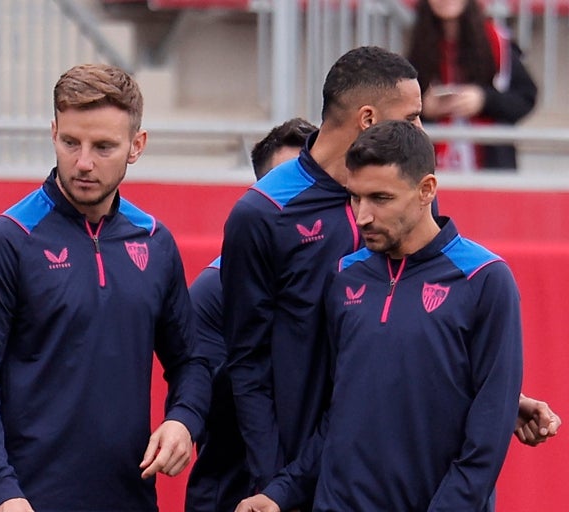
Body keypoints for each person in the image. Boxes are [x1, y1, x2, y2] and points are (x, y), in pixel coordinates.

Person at [218, 46, 558, 512]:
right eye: (412, 117)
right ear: (368, 118)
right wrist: (275, 485)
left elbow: (417, 332)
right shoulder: (264, 213)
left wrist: (494, 393)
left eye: (378, 199)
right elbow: (247, 364)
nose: (421, 130)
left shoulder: (446, 240)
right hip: (306, 474)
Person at [0, 63, 210, 512]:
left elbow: (191, 361)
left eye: (103, 146)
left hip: (131, 499)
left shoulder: (155, 242)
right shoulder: (8, 240)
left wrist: (184, 419)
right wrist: (1, 489)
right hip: (31, 501)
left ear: (137, 146)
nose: (83, 162)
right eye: (70, 142)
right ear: (53, 133)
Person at [185, 117, 317, 512]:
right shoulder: (212, 292)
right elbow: (211, 405)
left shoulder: (347, 280)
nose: (301, 199)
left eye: (311, 184)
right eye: (287, 184)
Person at [406, 0, 537, 171]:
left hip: (490, 163)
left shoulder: (497, 43)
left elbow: (525, 98)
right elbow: (399, 111)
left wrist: (484, 100)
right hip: (433, 166)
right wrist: (424, 109)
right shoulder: (418, 46)